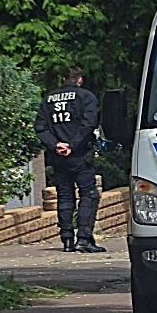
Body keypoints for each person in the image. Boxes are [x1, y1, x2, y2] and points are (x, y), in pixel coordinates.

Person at [34, 66, 106, 253]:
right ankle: (83, 239)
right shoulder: (86, 96)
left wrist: (56, 144)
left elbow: (40, 127)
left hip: (58, 157)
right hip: (80, 154)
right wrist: (72, 145)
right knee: (88, 194)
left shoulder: (48, 100)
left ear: (63, 78)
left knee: (65, 196)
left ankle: (67, 240)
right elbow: (88, 124)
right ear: (79, 80)